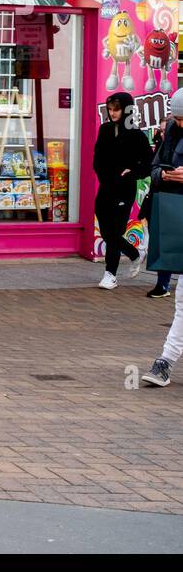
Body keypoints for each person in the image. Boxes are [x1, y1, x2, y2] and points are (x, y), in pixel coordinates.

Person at [142, 91, 183, 387]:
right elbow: (154, 168)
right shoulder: (171, 131)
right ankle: (165, 361)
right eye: (176, 118)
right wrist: (166, 176)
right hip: (178, 215)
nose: (178, 123)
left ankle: (166, 361)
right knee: (182, 300)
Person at [93, 91, 152, 290]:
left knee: (115, 231)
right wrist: (105, 176)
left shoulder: (137, 135)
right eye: (110, 109)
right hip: (106, 187)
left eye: (116, 109)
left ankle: (110, 274)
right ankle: (135, 253)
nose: (112, 113)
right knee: (106, 230)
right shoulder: (105, 129)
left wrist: (132, 172)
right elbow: (97, 158)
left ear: (126, 109)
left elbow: (148, 164)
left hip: (125, 189)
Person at [142, 119, 178, 299]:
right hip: (163, 199)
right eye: (161, 131)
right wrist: (163, 174)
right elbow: (153, 170)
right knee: (164, 242)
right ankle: (162, 283)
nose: (164, 134)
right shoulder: (164, 145)